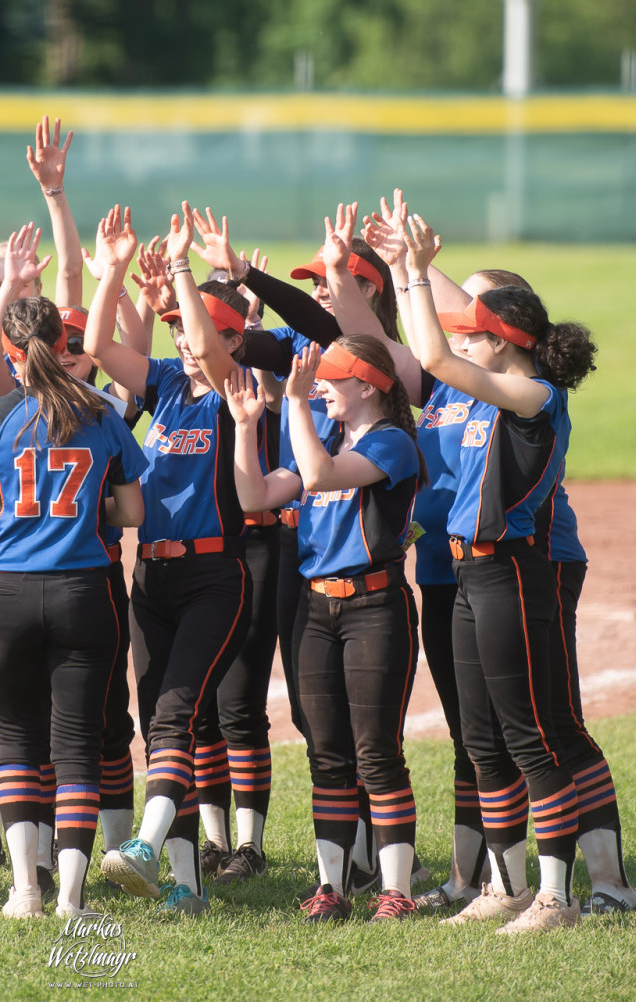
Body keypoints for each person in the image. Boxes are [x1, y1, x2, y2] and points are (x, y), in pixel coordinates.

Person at [391, 210, 598, 933]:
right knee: (481, 740)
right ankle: (503, 888)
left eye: (475, 330)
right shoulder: (487, 388)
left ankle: (555, 897)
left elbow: (436, 357)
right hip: (466, 577)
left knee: (527, 736)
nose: (461, 337)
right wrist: (405, 264)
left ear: (505, 339)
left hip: (512, 574)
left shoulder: (538, 396)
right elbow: (441, 349)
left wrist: (414, 273)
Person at [0, 286, 146, 919]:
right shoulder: (104, 413)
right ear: (63, 345)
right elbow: (131, 512)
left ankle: (24, 890)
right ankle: (72, 900)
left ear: (9, 353)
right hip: (83, 591)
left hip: (8, 595)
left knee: (18, 742)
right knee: (79, 746)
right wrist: (83, 509)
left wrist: (6, 505)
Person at [88, 204, 260, 916]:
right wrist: (115, 269)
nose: (187, 343)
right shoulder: (161, 385)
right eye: (182, 332)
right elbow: (98, 344)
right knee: (165, 721)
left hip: (215, 577)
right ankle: (187, 887)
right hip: (151, 575)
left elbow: (216, 356)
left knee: (177, 713)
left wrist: (184, 268)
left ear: (230, 337)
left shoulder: (237, 390)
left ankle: (148, 847)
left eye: (205, 332)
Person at [227, 337, 422, 922]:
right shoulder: (330, 436)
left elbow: (317, 475)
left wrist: (291, 402)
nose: (321, 388)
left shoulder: (393, 443)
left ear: (368, 385)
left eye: (332, 379)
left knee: (377, 754)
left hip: (374, 609)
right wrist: (243, 427)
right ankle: (331, 888)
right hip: (315, 610)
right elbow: (253, 496)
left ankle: (395, 891)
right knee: (328, 755)